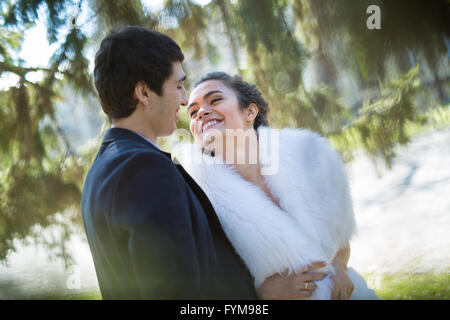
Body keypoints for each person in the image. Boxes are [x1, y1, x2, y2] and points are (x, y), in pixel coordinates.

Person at [81, 26, 323, 300]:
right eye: (179, 85)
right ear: (144, 93)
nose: (184, 100)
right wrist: (259, 298)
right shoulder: (145, 169)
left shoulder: (100, 173)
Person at [180, 72, 379, 299]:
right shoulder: (195, 196)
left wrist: (341, 269)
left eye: (214, 100)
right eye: (193, 112)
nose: (201, 113)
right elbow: (200, 286)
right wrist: (260, 293)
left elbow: (340, 238)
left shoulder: (308, 153)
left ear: (250, 112)